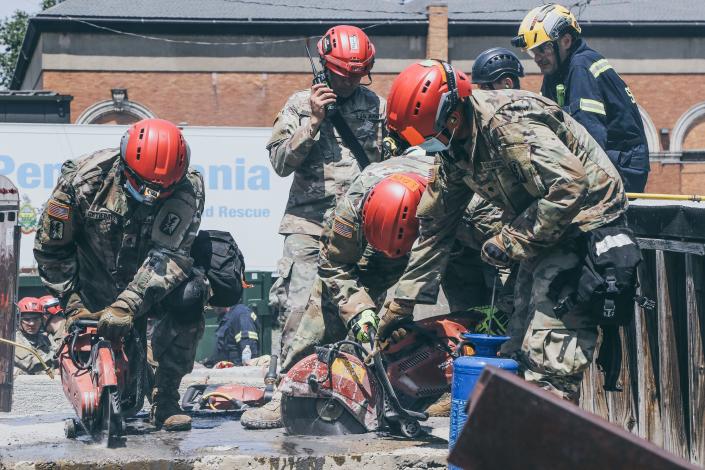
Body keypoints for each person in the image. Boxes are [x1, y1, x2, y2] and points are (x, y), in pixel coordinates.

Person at [241, 74, 505, 427]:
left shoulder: (469, 200)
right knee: (325, 304)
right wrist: (360, 311)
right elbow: (334, 266)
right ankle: (294, 384)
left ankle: (457, 386)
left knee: (481, 305)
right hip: (381, 241)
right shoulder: (356, 200)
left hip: (451, 237)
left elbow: (511, 259)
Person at [378, 60, 628, 403]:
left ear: (451, 116)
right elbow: (437, 224)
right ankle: (513, 437)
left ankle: (545, 441)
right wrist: (400, 305)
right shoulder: (454, 149)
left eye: (426, 137)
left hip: (584, 224)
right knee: (515, 341)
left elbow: (569, 188)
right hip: (539, 227)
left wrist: (510, 240)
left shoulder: (510, 125)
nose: (426, 146)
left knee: (549, 351)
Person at [34, 118, 206, 431]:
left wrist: (127, 306)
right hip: (92, 291)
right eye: (145, 186)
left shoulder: (187, 188)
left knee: (193, 292)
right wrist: (74, 307)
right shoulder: (83, 181)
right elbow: (52, 251)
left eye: (161, 190)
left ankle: (165, 396)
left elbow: (169, 256)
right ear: (124, 166)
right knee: (125, 403)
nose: (153, 196)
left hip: (150, 288)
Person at [267, 24, 385, 364]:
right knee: (299, 308)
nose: (349, 82)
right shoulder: (300, 104)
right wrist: (313, 123)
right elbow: (280, 162)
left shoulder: (378, 107)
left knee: (358, 309)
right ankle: (288, 386)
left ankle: (358, 384)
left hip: (359, 228)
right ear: (324, 67)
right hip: (308, 223)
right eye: (342, 75)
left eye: (357, 75)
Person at [512, 3, 649, 192]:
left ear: (566, 41)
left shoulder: (581, 67)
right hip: (609, 159)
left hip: (622, 166)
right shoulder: (555, 74)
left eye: (543, 49)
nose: (537, 57)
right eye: (533, 52)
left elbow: (590, 134)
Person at [14, 297, 55, 375]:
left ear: (42, 320)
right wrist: (58, 359)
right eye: (27, 319)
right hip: (19, 385)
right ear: (18, 320)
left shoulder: (46, 339)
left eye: (36, 319)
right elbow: (32, 365)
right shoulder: (13, 340)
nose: (32, 324)